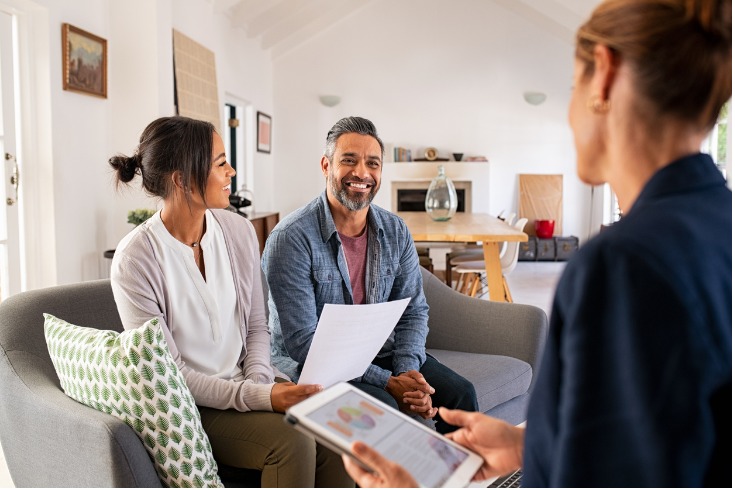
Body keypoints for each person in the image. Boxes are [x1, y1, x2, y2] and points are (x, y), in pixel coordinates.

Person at [342, 0, 732, 486]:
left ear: (605, 75)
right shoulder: (720, 225)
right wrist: (530, 446)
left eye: (573, 87)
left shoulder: (622, 265)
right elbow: (665, 447)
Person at [108, 116, 353, 488]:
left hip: (248, 383)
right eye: (221, 163)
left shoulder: (237, 231)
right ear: (181, 178)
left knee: (334, 428)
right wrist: (259, 397)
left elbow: (257, 325)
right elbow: (169, 375)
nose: (232, 171)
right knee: (292, 442)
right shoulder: (136, 259)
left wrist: (259, 387)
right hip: (193, 407)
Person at [261, 116, 479, 434]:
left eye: (372, 163)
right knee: (385, 409)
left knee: (462, 395)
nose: (362, 173)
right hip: (315, 366)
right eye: (349, 160)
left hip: (381, 352)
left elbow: (413, 311)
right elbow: (303, 344)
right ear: (325, 165)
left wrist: (407, 373)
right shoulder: (291, 239)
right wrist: (389, 384)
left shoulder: (395, 230)